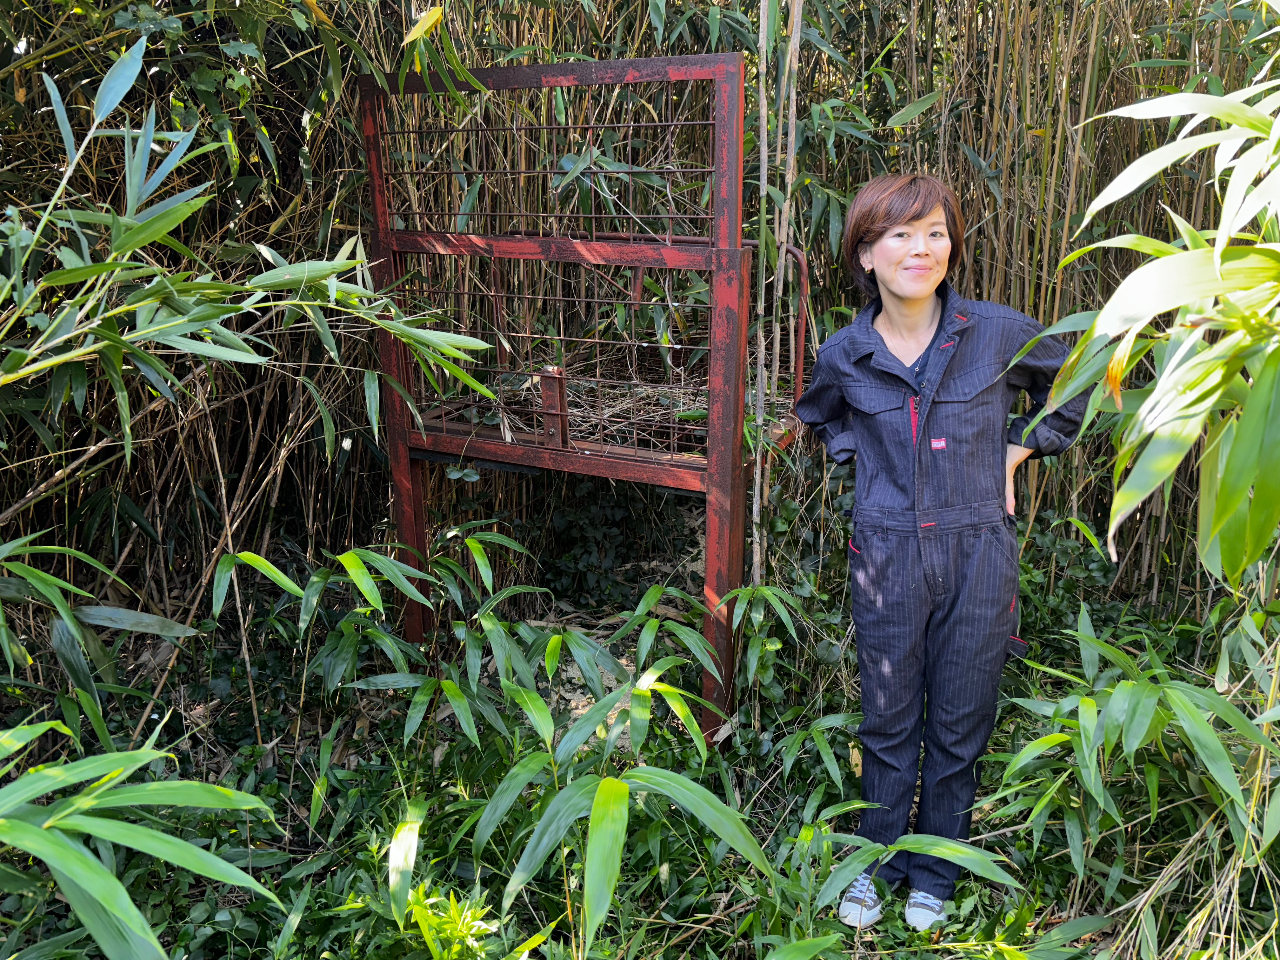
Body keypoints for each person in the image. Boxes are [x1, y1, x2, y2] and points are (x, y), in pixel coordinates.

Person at [795, 174, 1087, 932]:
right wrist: (875, 467)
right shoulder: (847, 352)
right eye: (898, 234)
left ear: (951, 246)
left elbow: (1080, 383)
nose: (919, 249)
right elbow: (822, 417)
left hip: (978, 550)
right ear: (865, 254)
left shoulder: (996, 332)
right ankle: (877, 861)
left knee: (961, 717)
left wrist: (1020, 450)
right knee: (887, 718)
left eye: (934, 232)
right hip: (886, 553)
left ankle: (937, 869)